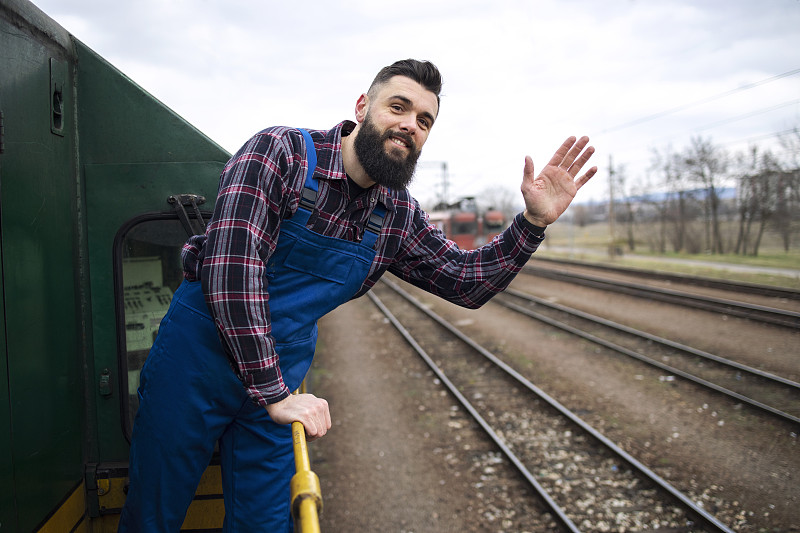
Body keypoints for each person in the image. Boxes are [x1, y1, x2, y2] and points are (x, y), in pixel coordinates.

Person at [118, 58, 596, 532]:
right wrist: (273, 391)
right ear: (364, 106)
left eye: (424, 120)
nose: (410, 125)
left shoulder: (395, 214)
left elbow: (465, 282)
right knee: (153, 516)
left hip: (277, 384)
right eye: (398, 107)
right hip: (195, 367)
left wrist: (532, 224)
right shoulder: (279, 153)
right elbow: (231, 271)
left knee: (265, 524)